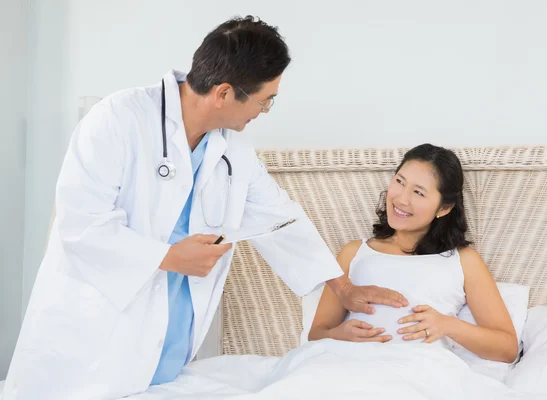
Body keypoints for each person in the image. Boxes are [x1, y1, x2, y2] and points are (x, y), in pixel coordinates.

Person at [3, 16, 407, 400]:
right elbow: (81, 226)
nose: (262, 113)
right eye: (265, 102)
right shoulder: (116, 120)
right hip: (88, 347)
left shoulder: (233, 151)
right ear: (225, 93)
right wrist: (169, 257)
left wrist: (344, 287)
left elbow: (281, 220)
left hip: (166, 355)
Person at [308, 144, 519, 364]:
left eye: (418, 192)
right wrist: (338, 336)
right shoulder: (354, 253)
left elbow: (507, 348)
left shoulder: (464, 260)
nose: (401, 199)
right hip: (352, 370)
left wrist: (448, 325)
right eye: (399, 182)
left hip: (422, 374)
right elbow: (316, 335)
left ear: (444, 208)